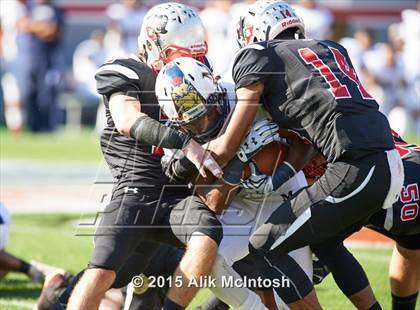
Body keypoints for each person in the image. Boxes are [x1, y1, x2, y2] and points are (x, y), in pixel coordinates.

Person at [186, 1, 404, 308]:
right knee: (325, 244)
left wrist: (188, 154)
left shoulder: (257, 55)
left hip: (353, 168)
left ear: (255, 32)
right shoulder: (332, 49)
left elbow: (227, 145)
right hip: (390, 163)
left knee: (263, 245)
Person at [66, 3, 223, 310]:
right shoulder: (128, 72)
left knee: (211, 236)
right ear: (155, 44)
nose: (189, 61)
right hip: (136, 193)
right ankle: (57, 293)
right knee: (103, 274)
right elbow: (126, 120)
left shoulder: (194, 75)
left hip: (178, 196)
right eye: (180, 54)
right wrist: (184, 143)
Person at [155, 56, 314, 309]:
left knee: (295, 298)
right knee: (206, 256)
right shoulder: (174, 140)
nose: (207, 123)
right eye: (195, 123)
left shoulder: (242, 92)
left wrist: (282, 173)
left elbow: (306, 140)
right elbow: (211, 201)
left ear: (217, 90)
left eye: (210, 111)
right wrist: (240, 164)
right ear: (178, 122)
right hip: (237, 203)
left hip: (284, 194)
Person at [310, 131, 420, 310]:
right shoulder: (362, 118)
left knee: (319, 245)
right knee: (411, 245)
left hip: (392, 189)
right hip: (408, 172)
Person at [16, 0, 64, 132]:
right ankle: (33, 126)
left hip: (48, 58)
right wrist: (41, 27)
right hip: (30, 57)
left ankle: (47, 126)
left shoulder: (55, 9)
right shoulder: (29, 7)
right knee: (30, 92)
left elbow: (52, 31)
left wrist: (33, 26)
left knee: (47, 93)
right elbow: (21, 24)